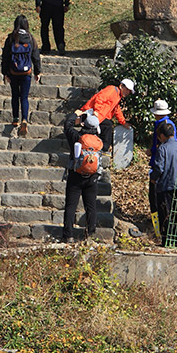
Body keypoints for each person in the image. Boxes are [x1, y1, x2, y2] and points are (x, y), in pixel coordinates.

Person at [61, 112, 103, 243]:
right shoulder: (98, 141)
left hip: (75, 176)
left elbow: (67, 125)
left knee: (71, 206)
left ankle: (68, 235)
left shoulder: (76, 136)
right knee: (91, 207)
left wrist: (76, 115)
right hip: (92, 177)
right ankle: (90, 234)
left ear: (84, 124)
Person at [0, 15, 41, 138]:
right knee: (24, 97)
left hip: (13, 72)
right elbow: (36, 56)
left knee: (15, 95)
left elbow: (6, 57)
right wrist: (37, 72)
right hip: (26, 73)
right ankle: (24, 119)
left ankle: (15, 118)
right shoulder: (30, 38)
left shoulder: (11, 38)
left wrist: (5, 73)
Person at [153, 120, 177, 248]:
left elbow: (159, 168)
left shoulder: (162, 148)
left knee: (165, 213)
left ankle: (167, 241)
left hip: (165, 185)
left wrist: (153, 178)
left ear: (162, 135)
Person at [75, 77, 133, 152]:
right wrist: (97, 110)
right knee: (93, 130)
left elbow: (117, 110)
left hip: (98, 117)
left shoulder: (117, 96)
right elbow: (99, 98)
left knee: (106, 126)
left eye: (129, 91)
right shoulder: (112, 90)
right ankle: (100, 147)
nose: (128, 92)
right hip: (92, 114)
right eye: (127, 89)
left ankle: (103, 147)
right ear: (121, 86)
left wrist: (123, 122)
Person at [148, 98, 176, 240]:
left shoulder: (165, 125)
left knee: (157, 199)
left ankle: (160, 231)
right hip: (157, 160)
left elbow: (165, 147)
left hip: (160, 165)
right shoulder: (163, 123)